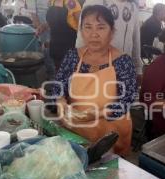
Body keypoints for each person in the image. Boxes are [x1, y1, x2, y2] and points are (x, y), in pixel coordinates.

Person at [52, 5, 137, 155]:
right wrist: (60, 100)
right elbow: (58, 86)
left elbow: (126, 101)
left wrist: (96, 114)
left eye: (101, 27)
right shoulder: (73, 56)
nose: (94, 34)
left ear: (112, 32)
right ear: (81, 31)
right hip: (77, 130)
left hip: (111, 136)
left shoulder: (123, 62)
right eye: (88, 27)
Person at [76, 0, 142, 76]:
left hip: (124, 68)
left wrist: (138, 69)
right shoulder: (93, 2)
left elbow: (136, 39)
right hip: (95, 68)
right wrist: (78, 64)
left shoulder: (134, 8)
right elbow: (81, 38)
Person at [43, 0, 81, 71]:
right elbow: (52, 21)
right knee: (57, 68)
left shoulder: (71, 2)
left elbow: (81, 24)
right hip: (55, 43)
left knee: (69, 71)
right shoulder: (52, 2)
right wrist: (43, 26)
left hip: (69, 44)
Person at [26, 0, 56, 80]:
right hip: (43, 23)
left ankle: (59, 74)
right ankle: (52, 75)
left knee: (57, 48)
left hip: (57, 20)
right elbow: (33, 14)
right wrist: (40, 26)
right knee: (47, 49)